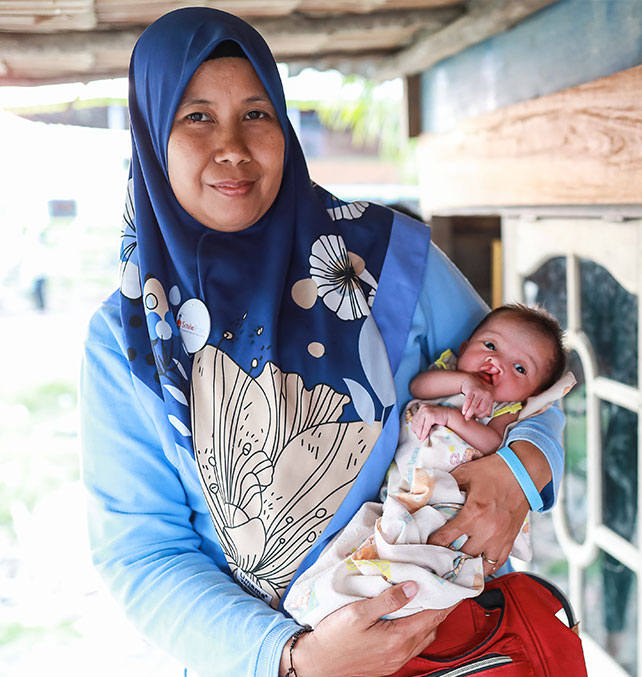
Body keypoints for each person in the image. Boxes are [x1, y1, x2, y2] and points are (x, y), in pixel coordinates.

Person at [78, 8, 566, 677]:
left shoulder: (388, 261)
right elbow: (142, 551)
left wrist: (522, 468)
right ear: (150, 134)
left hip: (456, 648)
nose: (233, 146)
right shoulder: (125, 341)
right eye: (196, 116)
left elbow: (527, 379)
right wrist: (292, 658)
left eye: (256, 113)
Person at [286, 304, 574, 626]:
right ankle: (320, 602)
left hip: (445, 495)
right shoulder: (449, 374)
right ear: (464, 349)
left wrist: (451, 417)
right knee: (365, 540)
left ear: (533, 392)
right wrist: (462, 384)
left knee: (403, 551)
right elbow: (418, 387)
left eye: (520, 368)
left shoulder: (506, 408)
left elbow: (493, 443)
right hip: (400, 494)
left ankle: (355, 602)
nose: (497, 364)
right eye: (490, 346)